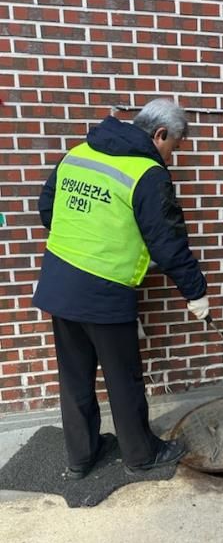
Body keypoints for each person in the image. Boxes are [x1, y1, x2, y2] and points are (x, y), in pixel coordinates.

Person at [33, 98, 209, 479]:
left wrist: (86, 237)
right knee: (123, 379)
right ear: (159, 134)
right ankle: (140, 456)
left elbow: (46, 208)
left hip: (59, 285)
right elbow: (169, 244)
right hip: (104, 293)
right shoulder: (147, 173)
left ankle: (81, 457)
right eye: (174, 146)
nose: (171, 156)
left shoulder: (78, 154)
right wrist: (196, 293)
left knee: (74, 378)